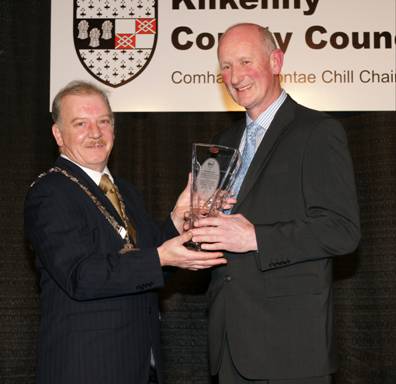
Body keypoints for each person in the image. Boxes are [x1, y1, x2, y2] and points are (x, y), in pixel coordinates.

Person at [190, 23, 361, 384]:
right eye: (225, 66)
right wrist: (198, 226)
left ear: (276, 61)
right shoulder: (223, 142)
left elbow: (342, 231)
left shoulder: (317, 132)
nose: (235, 76)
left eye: (244, 61)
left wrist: (256, 238)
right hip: (229, 342)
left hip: (289, 346)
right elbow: (222, 236)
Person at [24, 80, 227, 384]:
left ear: (114, 128)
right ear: (57, 133)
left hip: (141, 364)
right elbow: (82, 276)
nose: (95, 132)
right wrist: (159, 257)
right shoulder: (50, 193)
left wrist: (177, 217)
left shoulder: (125, 191)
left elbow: (148, 265)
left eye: (104, 121)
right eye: (81, 123)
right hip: (87, 366)